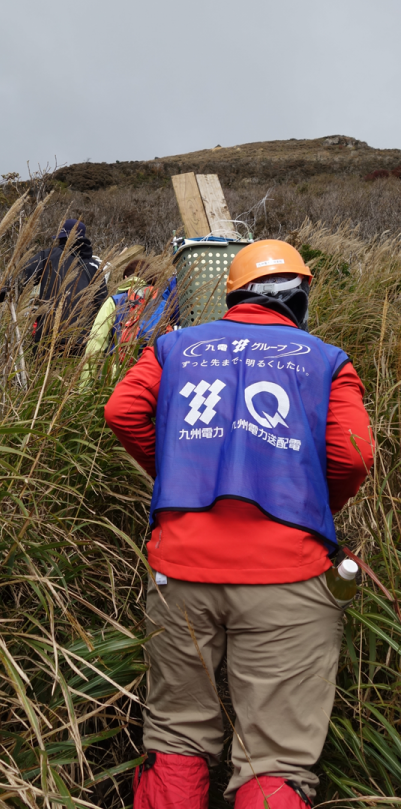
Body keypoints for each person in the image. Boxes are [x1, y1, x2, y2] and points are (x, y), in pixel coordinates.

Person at [104, 240, 373, 809]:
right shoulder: (326, 360)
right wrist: (314, 505)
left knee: (176, 736)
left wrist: (179, 476)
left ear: (232, 294)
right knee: (275, 759)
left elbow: (121, 411)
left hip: (179, 574)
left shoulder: (174, 347)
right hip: (288, 575)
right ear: (299, 296)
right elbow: (353, 456)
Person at [0, 219, 107, 355]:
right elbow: (102, 304)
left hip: (48, 335)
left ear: (60, 238)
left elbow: (20, 281)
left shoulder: (48, 256)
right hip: (81, 338)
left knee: (41, 373)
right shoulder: (94, 266)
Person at [80, 259, 178, 388]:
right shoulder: (165, 304)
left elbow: (95, 347)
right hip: (155, 378)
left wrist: (84, 389)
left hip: (118, 380)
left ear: (126, 278)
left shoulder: (115, 302)